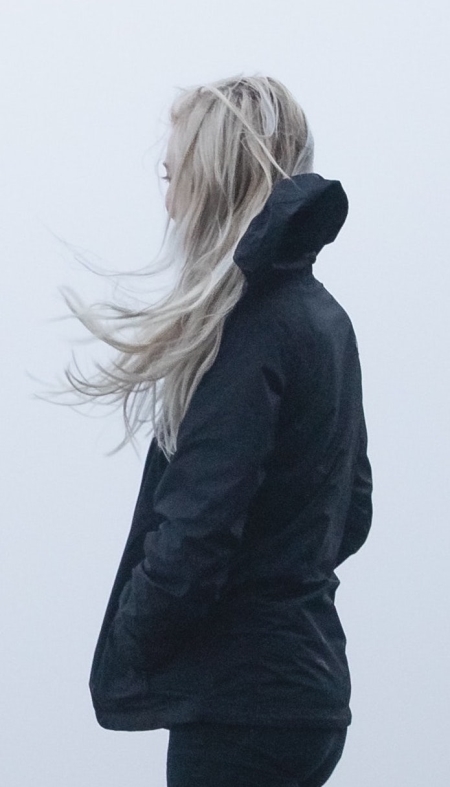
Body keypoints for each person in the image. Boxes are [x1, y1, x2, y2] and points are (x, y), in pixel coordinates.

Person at [63, 74, 373, 786]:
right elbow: (350, 511)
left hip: (241, 711)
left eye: (173, 176)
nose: (166, 203)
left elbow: (193, 539)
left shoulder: (246, 332)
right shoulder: (323, 320)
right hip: (311, 699)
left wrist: (134, 634)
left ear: (210, 182)